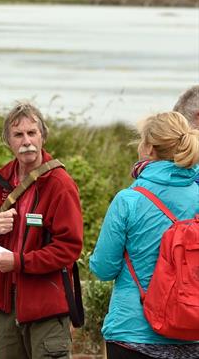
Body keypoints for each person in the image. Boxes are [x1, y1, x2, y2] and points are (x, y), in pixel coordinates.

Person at [0, 102, 83, 359]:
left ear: (42, 135)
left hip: (47, 308)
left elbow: (69, 248)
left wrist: (19, 262)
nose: (27, 141)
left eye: (32, 133)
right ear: (8, 141)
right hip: (6, 307)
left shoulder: (60, 184)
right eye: (18, 135)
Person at [89, 111, 199, 359]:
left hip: (132, 330)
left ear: (149, 148)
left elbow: (103, 269)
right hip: (192, 327)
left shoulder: (129, 200)